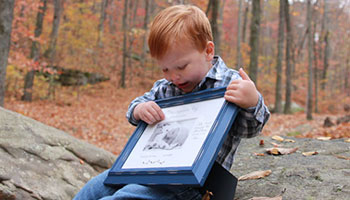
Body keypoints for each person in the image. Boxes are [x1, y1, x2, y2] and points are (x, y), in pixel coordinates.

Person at [73, 4, 270, 200]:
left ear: (208, 51)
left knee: (127, 196)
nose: (174, 76)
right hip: (150, 170)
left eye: (181, 67)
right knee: (96, 187)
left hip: (192, 185)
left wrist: (252, 101)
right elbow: (137, 104)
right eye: (165, 69)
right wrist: (139, 110)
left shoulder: (231, 84)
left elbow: (250, 130)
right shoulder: (165, 87)